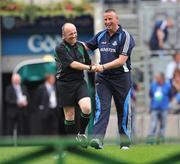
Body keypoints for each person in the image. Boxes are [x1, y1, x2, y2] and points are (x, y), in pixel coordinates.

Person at [84, 9, 135, 149]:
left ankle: (125, 143)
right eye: (105, 19)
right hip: (103, 79)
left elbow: (121, 60)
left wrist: (103, 66)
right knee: (102, 108)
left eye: (110, 19)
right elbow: (87, 46)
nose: (107, 22)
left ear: (117, 19)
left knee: (123, 111)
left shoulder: (125, 36)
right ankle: (97, 140)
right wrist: (72, 44)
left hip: (121, 78)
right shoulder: (101, 36)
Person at [54, 23, 96, 147]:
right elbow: (73, 64)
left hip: (79, 82)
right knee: (70, 115)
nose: (74, 35)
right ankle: (73, 143)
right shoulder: (59, 48)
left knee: (87, 108)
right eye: (70, 33)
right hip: (64, 84)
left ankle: (81, 134)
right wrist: (90, 68)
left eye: (75, 32)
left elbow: (89, 62)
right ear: (63, 36)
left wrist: (93, 76)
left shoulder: (81, 46)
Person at [147, 73, 171, 144]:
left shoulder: (168, 86)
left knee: (163, 125)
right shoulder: (153, 85)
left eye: (158, 78)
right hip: (155, 108)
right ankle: (150, 140)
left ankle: (160, 140)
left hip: (164, 109)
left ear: (162, 78)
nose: (156, 79)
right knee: (153, 124)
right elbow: (150, 95)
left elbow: (170, 95)